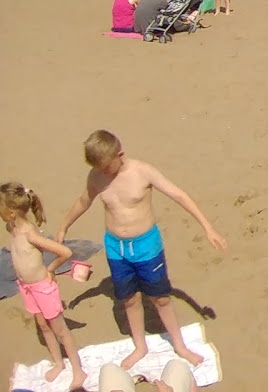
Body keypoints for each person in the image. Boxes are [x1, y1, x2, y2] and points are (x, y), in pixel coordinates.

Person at [56, 130, 226, 370]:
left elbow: (178, 194)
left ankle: (179, 345)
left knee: (161, 298)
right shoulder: (96, 176)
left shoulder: (142, 172)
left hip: (146, 246)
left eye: (106, 166)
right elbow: (84, 201)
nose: (104, 171)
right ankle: (140, 346)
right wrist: (63, 226)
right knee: (128, 299)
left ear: (120, 154)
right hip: (116, 247)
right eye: (99, 168)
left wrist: (208, 228)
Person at [2, 182, 87, 389]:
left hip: (42, 287)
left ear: (12, 212)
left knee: (60, 330)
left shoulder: (31, 234)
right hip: (26, 287)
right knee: (43, 326)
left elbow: (65, 253)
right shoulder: (11, 227)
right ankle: (59, 363)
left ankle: (78, 370)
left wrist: (51, 270)